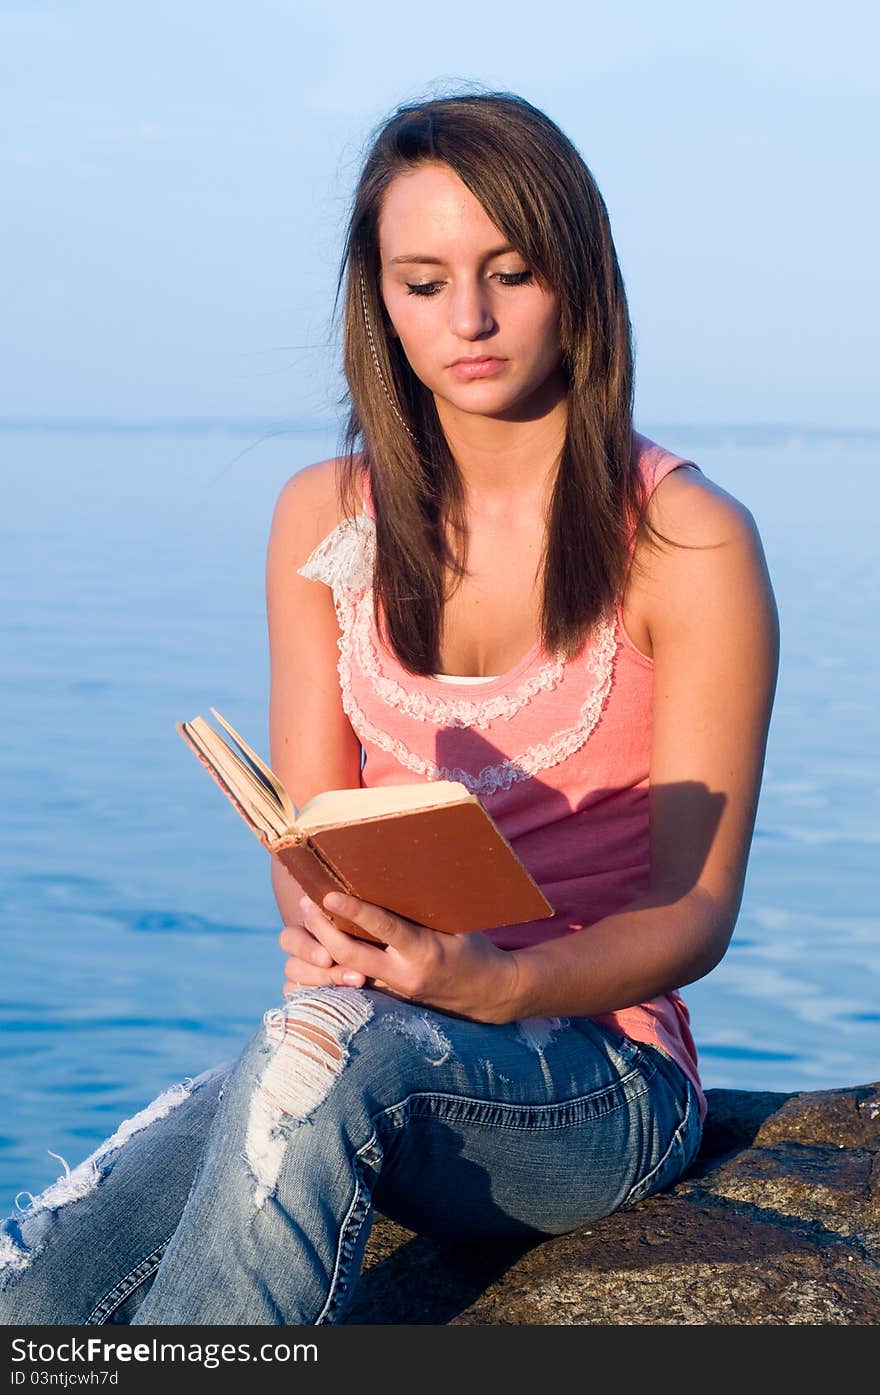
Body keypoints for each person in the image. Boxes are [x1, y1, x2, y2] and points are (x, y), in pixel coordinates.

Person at [0, 90, 779, 1326]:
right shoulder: (325, 517)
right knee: (40, 1272)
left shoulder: (686, 540)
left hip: (596, 1069)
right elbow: (304, 841)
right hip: (369, 1030)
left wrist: (497, 986)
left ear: (577, 275)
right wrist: (342, 927)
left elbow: (695, 912)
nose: (466, 319)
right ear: (381, 303)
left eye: (507, 272)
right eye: (422, 283)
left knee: (310, 1062)